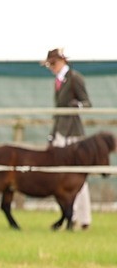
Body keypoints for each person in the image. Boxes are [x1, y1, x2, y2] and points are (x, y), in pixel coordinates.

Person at [42, 48, 92, 229]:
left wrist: (77, 105)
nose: (52, 68)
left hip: (73, 134)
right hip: (60, 133)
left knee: (77, 178)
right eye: (50, 65)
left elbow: (87, 103)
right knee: (59, 177)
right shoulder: (58, 81)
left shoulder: (74, 78)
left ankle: (84, 218)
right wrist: (52, 133)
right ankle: (68, 215)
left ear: (62, 61)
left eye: (53, 64)